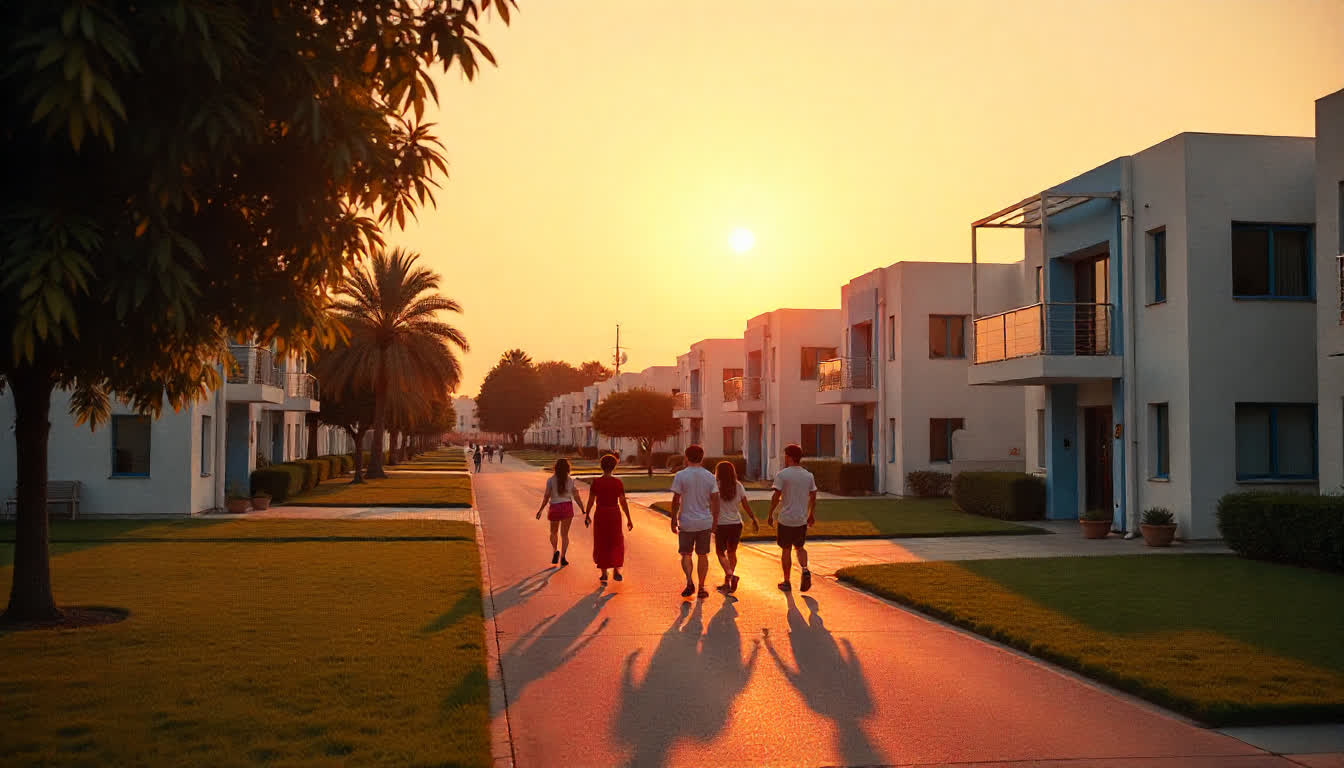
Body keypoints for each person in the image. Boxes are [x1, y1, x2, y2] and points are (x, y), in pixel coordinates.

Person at [766, 444, 817, 592]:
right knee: (800, 547)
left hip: (786, 519)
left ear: (789, 457)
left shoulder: (783, 475)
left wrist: (770, 513)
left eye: (785, 456)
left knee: (786, 549)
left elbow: (776, 496)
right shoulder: (808, 475)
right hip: (801, 519)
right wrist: (811, 513)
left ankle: (787, 581)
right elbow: (813, 496)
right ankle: (805, 569)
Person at [669, 444, 717, 599]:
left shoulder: (681, 475)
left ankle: (690, 581)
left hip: (687, 521)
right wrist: (715, 520)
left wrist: (673, 519)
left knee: (686, 554)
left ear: (686, 457)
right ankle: (702, 587)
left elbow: (676, 499)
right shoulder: (709, 476)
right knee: (703, 555)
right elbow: (715, 499)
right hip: (704, 521)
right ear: (702, 458)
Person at [584, 453, 634, 584]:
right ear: (614, 467)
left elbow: (590, 500)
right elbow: (623, 502)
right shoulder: (617, 483)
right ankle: (617, 569)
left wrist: (587, 514)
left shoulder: (596, 482)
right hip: (614, 513)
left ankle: (604, 572)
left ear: (601, 466)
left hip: (601, 513)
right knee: (616, 540)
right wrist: (629, 518)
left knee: (601, 541)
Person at [711, 460, 759, 594]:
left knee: (720, 553)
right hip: (736, 524)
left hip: (721, 524)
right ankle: (728, 581)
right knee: (731, 552)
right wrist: (753, 518)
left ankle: (730, 576)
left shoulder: (715, 486)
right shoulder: (738, 486)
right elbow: (745, 504)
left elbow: (711, 506)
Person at [536, 458, 585, 566]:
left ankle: (555, 551)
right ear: (568, 468)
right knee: (565, 535)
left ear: (556, 468)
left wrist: (540, 509)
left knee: (553, 532)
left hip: (555, 507)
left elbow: (546, 496)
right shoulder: (570, 480)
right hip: (567, 507)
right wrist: (582, 508)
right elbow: (576, 496)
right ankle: (563, 557)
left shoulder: (550, 480)